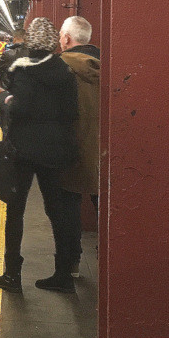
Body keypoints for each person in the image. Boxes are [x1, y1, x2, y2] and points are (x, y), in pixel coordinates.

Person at [0, 17, 78, 294]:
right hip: (54, 150)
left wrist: (5, 99)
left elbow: (20, 109)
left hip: (24, 151)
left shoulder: (24, 71)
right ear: (55, 42)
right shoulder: (65, 73)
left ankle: (12, 275)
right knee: (57, 211)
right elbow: (71, 113)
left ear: (30, 43)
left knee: (15, 211)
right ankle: (63, 274)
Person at [56, 15, 100, 281]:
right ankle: (111, 254)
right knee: (104, 205)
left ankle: (71, 265)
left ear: (67, 38)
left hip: (70, 150)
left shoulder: (60, 67)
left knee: (68, 209)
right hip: (101, 150)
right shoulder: (107, 66)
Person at [0, 28, 27, 136]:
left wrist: (1, 85)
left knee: (7, 127)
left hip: (9, 94)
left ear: (15, 38)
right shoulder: (33, 54)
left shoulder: (7, 54)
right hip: (27, 97)